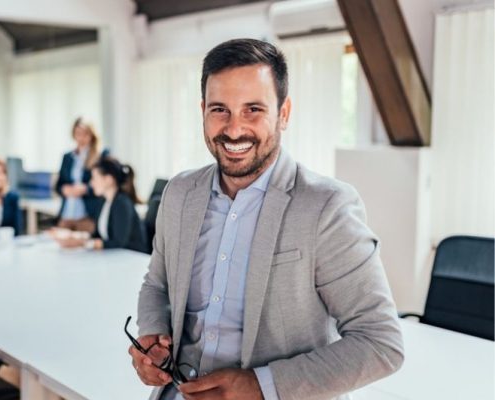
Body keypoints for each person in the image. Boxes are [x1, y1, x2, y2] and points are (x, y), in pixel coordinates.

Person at [129, 39, 403, 400]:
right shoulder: (180, 193)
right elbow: (157, 285)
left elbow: (381, 343)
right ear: (203, 111)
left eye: (253, 109)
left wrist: (261, 386)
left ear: (284, 113)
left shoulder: (327, 207)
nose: (234, 128)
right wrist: (152, 336)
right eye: (219, 110)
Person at [55, 157, 147, 253]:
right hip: (115, 257)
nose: (91, 183)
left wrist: (85, 244)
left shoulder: (122, 203)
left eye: (94, 178)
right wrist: (74, 238)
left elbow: (119, 242)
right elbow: (98, 235)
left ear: (108, 179)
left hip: (131, 258)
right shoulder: (103, 201)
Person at [55, 117, 107, 233]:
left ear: (92, 135)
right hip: (67, 214)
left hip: (87, 216)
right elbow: (58, 185)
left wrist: (85, 189)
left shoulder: (100, 155)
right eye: (78, 133)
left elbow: (106, 184)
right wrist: (64, 189)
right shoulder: (68, 157)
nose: (81, 138)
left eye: (85, 134)